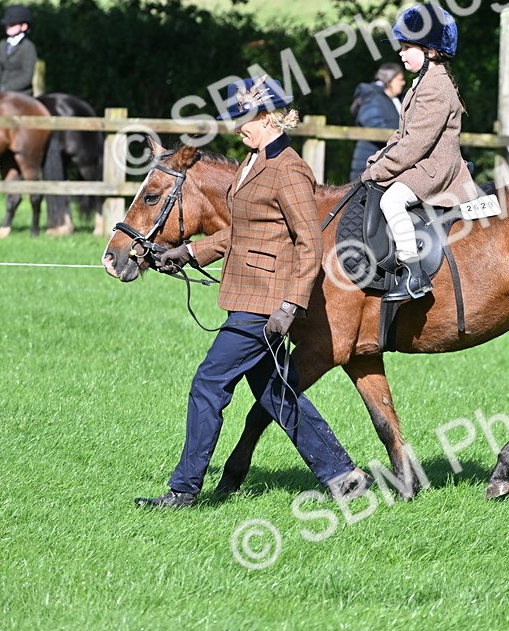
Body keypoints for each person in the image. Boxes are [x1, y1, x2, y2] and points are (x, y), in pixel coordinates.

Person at [136, 77, 368, 508]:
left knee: (208, 383)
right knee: (276, 392)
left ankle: (184, 489)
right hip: (247, 295)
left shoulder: (289, 168)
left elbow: (309, 242)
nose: (235, 127)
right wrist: (188, 252)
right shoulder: (250, 162)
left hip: (264, 303)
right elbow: (241, 233)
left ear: (266, 118)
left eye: (242, 119)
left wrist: (291, 304)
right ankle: (343, 475)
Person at [361, 4, 478, 301]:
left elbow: (416, 144)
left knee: (392, 200)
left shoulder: (436, 86)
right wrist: (378, 159)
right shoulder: (421, 82)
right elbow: (400, 135)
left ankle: (415, 274)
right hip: (423, 164)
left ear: (431, 51)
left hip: (436, 170)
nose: (400, 54)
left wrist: (379, 171)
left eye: (406, 47)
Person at [349, 62, 405, 180]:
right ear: (389, 79)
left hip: (385, 158)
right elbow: (375, 125)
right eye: (399, 79)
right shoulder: (372, 97)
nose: (403, 83)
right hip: (369, 158)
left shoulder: (395, 99)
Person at [0, 4, 38, 96]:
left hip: (21, 93)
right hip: (1, 91)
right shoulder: (2, 44)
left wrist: (4, 88)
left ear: (24, 26)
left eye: (12, 24)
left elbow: (26, 77)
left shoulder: (28, 47)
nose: (8, 27)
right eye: (7, 24)